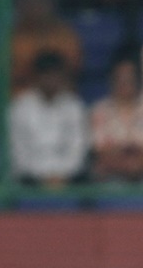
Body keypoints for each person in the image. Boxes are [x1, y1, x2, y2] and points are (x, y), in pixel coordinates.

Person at [9, 49, 88, 186]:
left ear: (62, 76)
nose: (51, 80)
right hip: (30, 178)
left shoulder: (74, 106)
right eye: (46, 75)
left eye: (55, 74)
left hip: (68, 178)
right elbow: (18, 152)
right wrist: (43, 177)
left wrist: (61, 175)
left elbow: (78, 149)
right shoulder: (20, 108)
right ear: (36, 77)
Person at [89, 56, 143, 183]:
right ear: (112, 81)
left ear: (138, 81)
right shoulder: (100, 111)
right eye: (120, 79)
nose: (125, 84)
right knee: (112, 185)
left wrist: (136, 165)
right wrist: (125, 166)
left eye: (129, 79)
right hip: (111, 173)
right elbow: (100, 151)